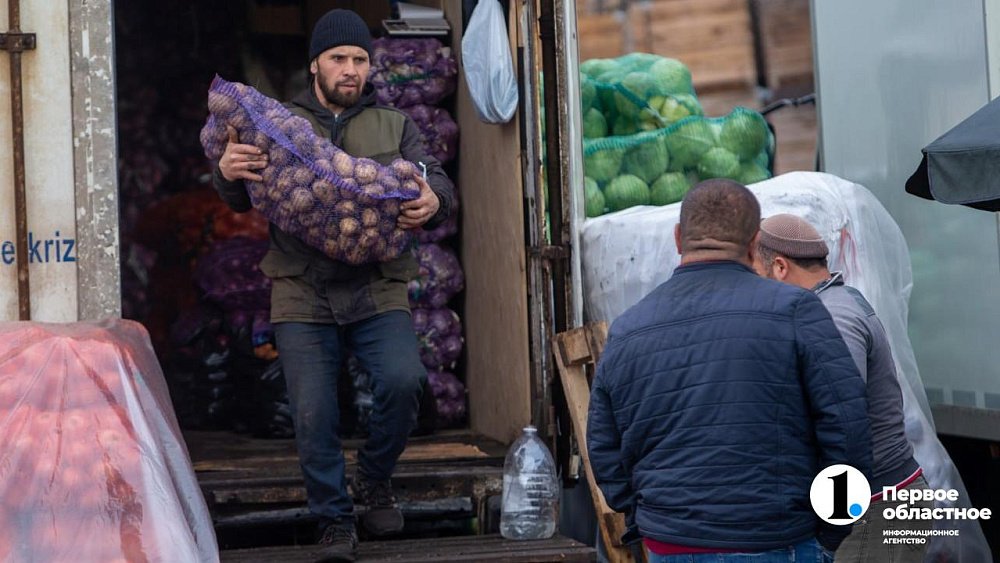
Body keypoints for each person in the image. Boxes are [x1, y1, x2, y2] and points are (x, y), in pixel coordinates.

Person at [213, 9, 456, 562]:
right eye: (338, 59)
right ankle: (333, 522)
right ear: (315, 65)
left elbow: (433, 176)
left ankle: (373, 479)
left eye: (360, 60)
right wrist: (225, 173)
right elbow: (236, 191)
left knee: (403, 382)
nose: (350, 70)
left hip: (377, 286)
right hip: (302, 286)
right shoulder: (275, 123)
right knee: (313, 411)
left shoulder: (394, 125)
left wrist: (434, 199)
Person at [587, 179, 872, 563]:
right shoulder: (796, 311)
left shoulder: (628, 328)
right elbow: (847, 428)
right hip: (778, 541)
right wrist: (831, 530)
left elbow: (605, 448)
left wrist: (648, 516)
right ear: (755, 244)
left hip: (671, 546)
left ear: (678, 238)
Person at [754, 214, 930, 563]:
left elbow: (838, 419)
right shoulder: (838, 301)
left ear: (779, 267)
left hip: (872, 507)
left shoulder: (831, 317)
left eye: (756, 276)